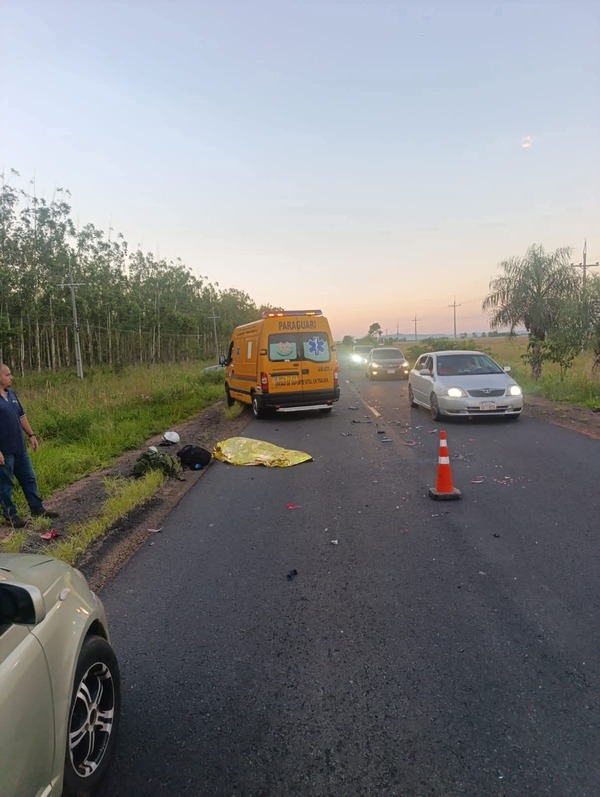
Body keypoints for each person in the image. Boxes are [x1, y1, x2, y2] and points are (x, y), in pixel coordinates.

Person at [0, 363, 59, 527]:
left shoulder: (11, 394)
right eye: (8, 374)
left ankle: (37, 508)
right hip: (4, 452)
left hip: (20, 448)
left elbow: (21, 416)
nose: (11, 377)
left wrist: (31, 435)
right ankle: (11, 517)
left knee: (29, 478)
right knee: (5, 485)